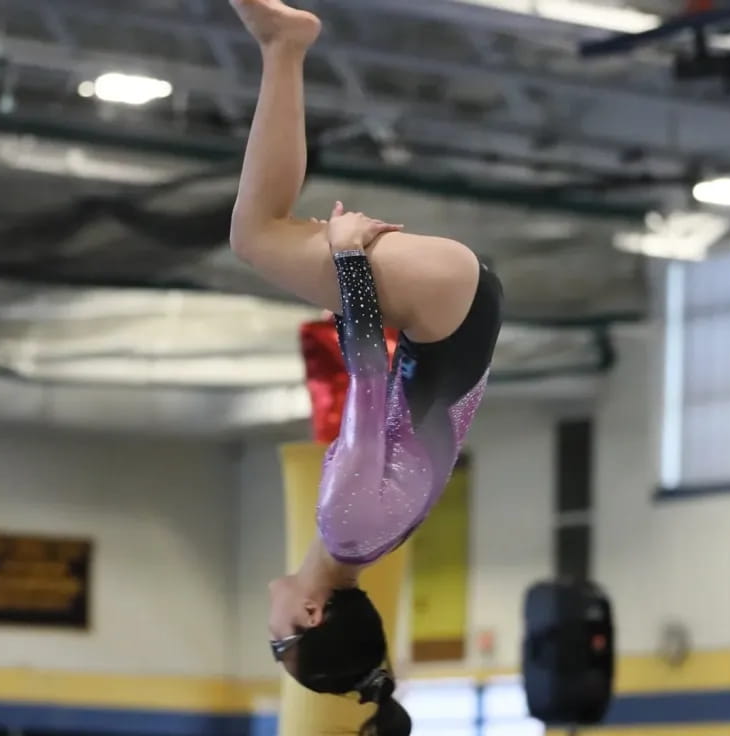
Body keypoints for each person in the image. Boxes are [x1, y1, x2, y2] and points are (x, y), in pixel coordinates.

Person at [228, 1, 504, 734]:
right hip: (445, 310)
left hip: (457, 319)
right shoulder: (348, 526)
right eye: (281, 642)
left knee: (263, 234)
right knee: (256, 236)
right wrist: (350, 260)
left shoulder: (370, 536)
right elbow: (368, 374)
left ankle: (282, 48)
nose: (273, 628)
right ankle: (285, 45)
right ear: (313, 615)